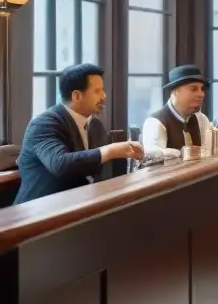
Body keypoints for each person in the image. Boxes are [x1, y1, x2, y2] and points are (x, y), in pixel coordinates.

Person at [14, 64, 143, 204]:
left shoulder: (95, 125)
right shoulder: (44, 124)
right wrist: (110, 150)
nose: (104, 96)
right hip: (38, 212)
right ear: (76, 96)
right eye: (97, 91)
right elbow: (60, 164)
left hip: (79, 205)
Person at [140, 64, 213, 157]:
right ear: (175, 91)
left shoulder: (201, 119)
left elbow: (208, 154)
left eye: (202, 89)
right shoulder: (155, 122)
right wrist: (179, 153)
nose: (201, 94)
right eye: (193, 89)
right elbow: (153, 161)